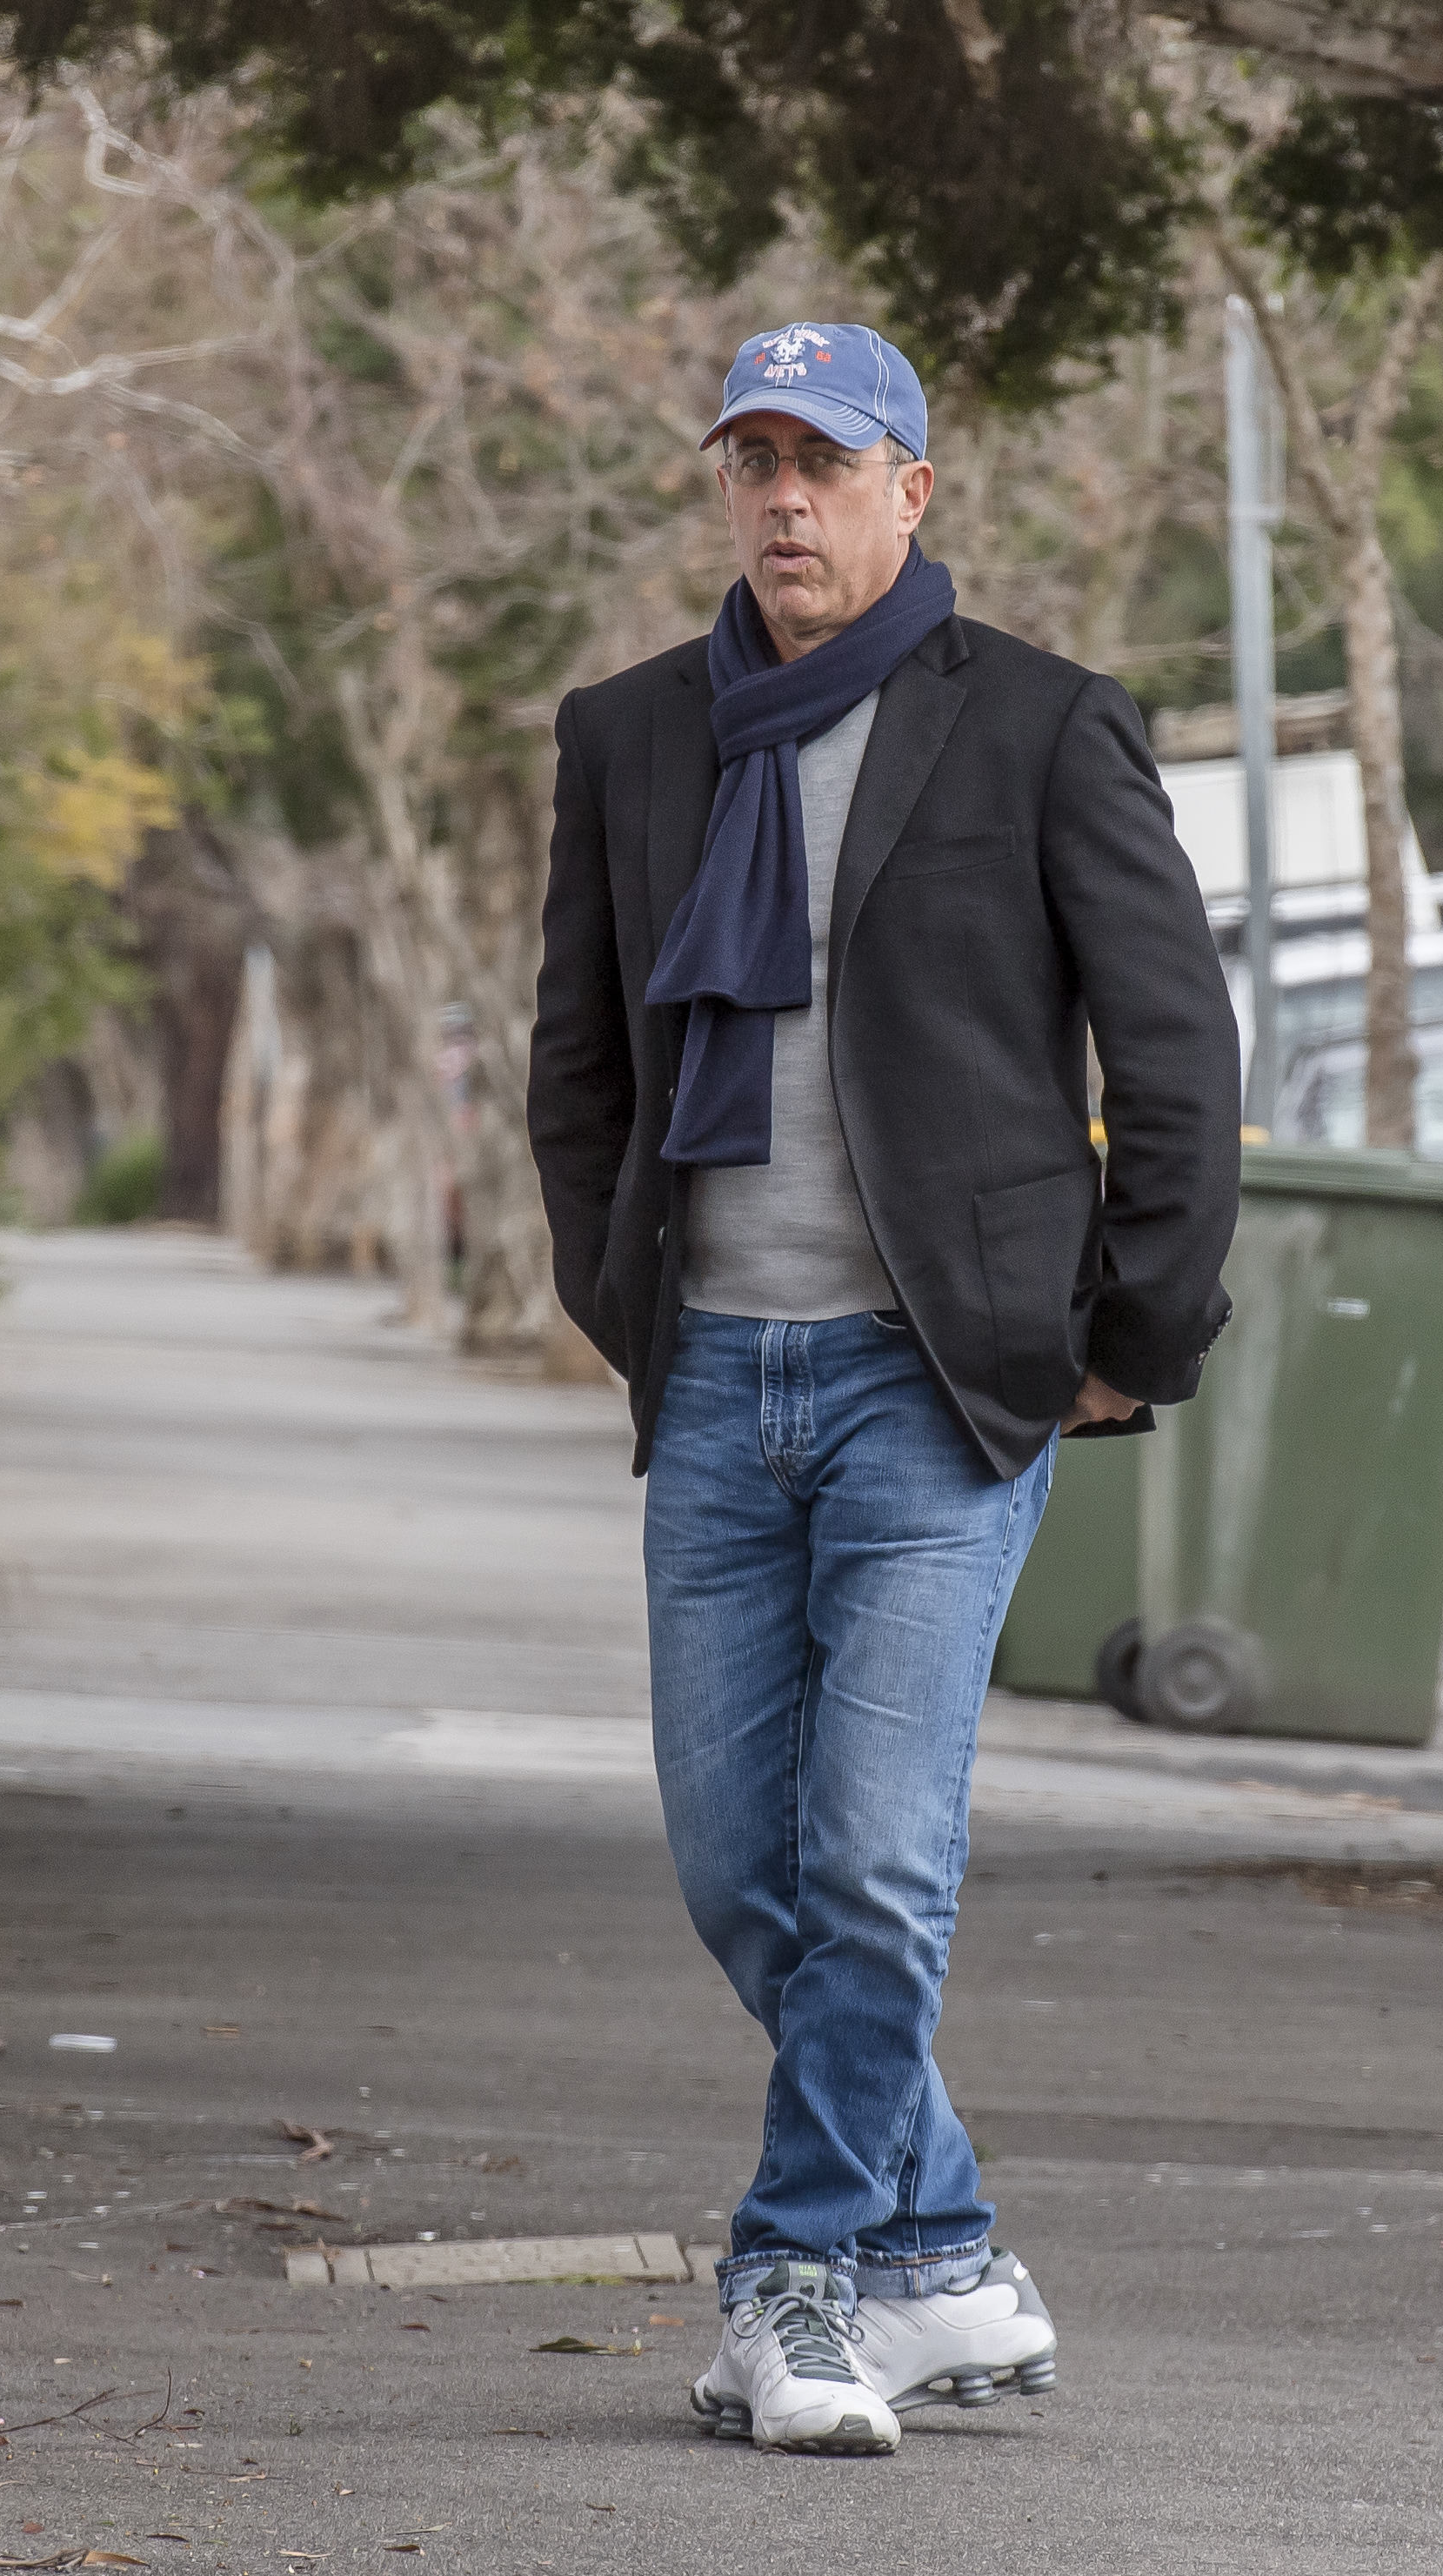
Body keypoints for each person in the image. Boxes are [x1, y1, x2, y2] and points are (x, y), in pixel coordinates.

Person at [528, 321, 1240, 2456]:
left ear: (911, 489)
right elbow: (578, 1068)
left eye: (825, 464)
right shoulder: (634, 735)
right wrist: (622, 1296)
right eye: (752, 460)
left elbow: (1176, 1057)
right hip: (717, 1381)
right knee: (741, 1863)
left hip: (935, 1393)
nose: (783, 499)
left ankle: (796, 2280)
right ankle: (944, 2258)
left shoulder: (1036, 726)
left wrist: (1128, 1336)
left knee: (869, 1863)